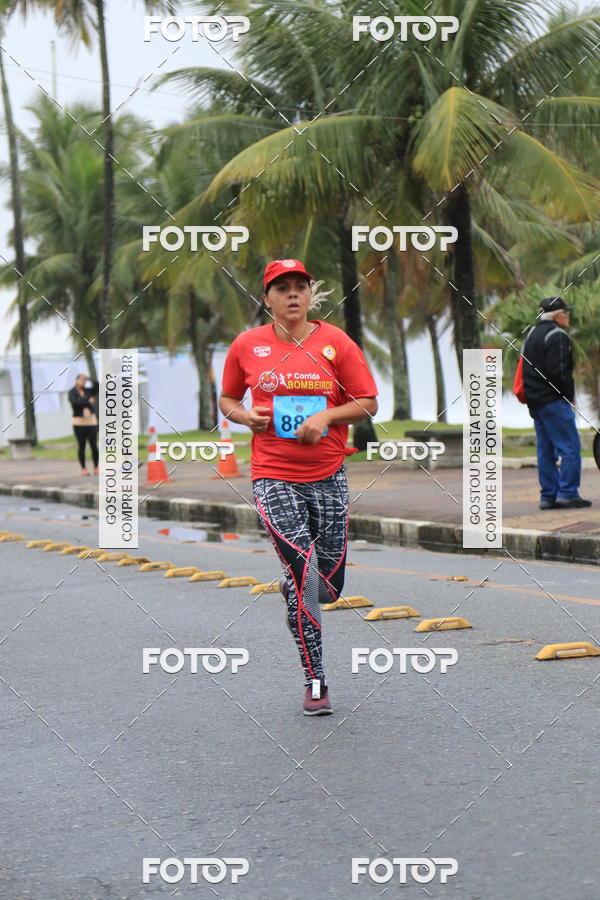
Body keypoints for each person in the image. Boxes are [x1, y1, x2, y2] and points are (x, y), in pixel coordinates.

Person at [219, 259, 378, 715]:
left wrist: (326, 417)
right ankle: (316, 681)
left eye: (300, 287)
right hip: (273, 476)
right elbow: (228, 399)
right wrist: (245, 416)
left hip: (328, 476)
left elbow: (366, 402)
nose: (292, 294)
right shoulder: (247, 346)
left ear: (311, 295)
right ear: (266, 298)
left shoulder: (336, 343)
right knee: (304, 575)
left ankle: (302, 587)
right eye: (281, 288)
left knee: (327, 587)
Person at [522, 296, 591, 510]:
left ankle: (548, 496)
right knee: (569, 446)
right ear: (558, 316)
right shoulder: (558, 335)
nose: (568, 317)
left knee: (546, 450)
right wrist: (568, 396)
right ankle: (568, 493)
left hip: (536, 402)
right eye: (566, 313)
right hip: (554, 401)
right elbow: (558, 371)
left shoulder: (531, 335)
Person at [68, 373, 100, 476]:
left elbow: (98, 386)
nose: (83, 382)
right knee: (82, 446)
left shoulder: (88, 390)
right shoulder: (72, 392)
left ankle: (96, 467)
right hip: (79, 423)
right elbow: (75, 404)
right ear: (76, 381)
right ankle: (84, 468)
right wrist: (88, 401)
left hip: (91, 422)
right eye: (81, 379)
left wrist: (90, 378)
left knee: (94, 446)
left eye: (84, 380)